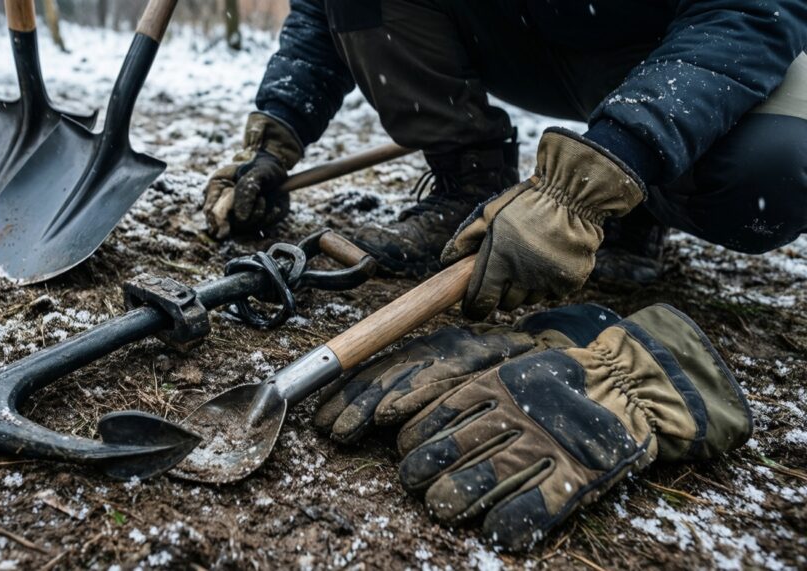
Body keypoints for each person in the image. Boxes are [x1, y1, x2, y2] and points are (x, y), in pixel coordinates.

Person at [200, 0, 803, 548]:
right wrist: (276, 135)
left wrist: (603, 173)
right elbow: (318, 8)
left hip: (682, 35)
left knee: (774, 172)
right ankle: (470, 180)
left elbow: (755, 9)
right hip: (519, 32)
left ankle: (634, 197)